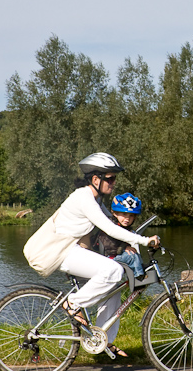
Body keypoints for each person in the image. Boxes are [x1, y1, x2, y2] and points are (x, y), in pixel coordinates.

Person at [55, 152, 159, 358]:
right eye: (110, 178)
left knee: (113, 297)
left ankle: (104, 341)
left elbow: (118, 230)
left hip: (80, 254)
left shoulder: (97, 202)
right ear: (96, 179)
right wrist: (143, 241)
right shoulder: (85, 199)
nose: (113, 183)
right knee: (114, 270)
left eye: (114, 179)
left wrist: (135, 242)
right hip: (65, 253)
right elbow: (111, 230)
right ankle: (72, 304)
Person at [88, 192, 146, 278]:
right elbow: (108, 245)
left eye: (131, 216)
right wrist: (123, 248)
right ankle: (139, 278)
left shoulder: (125, 228)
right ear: (115, 213)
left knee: (134, 253)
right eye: (124, 214)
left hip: (115, 257)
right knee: (132, 256)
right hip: (108, 258)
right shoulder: (110, 227)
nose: (127, 218)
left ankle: (140, 271)